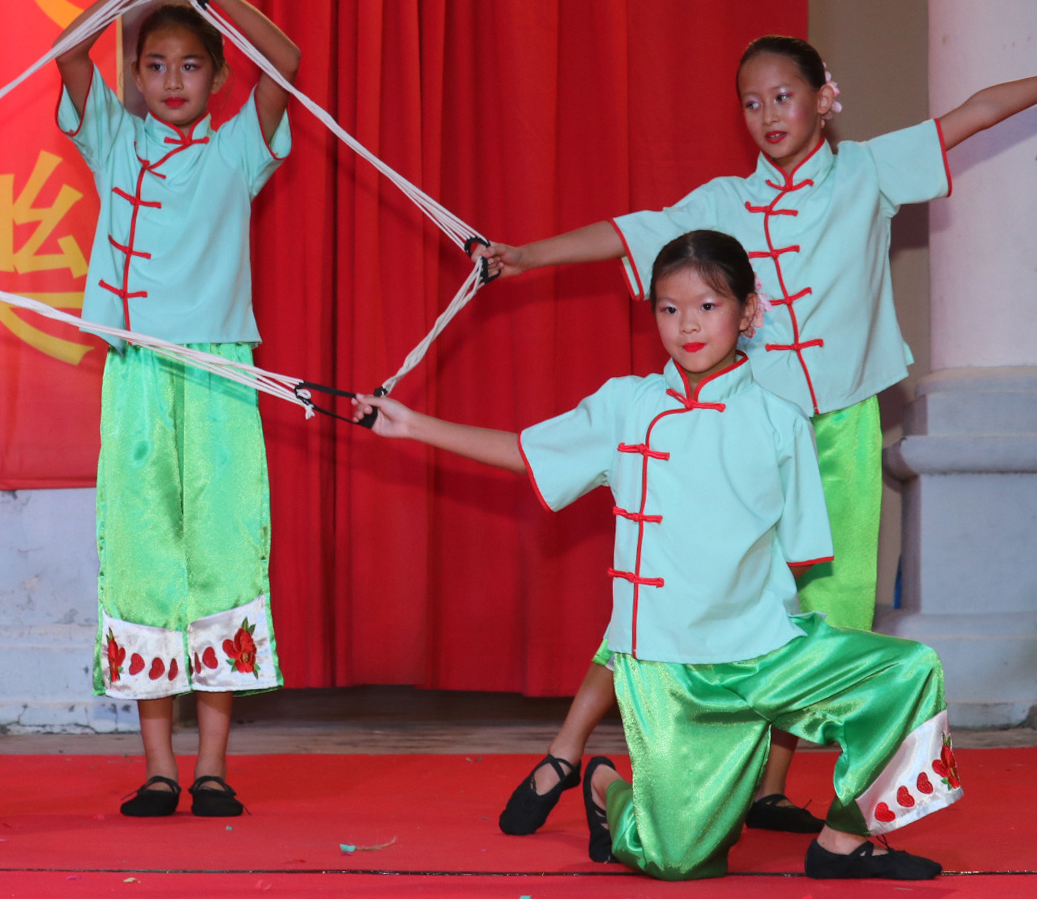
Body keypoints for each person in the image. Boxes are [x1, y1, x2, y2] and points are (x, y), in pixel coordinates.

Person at [480, 35, 1037, 837]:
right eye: (751, 101)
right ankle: (567, 747)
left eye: (783, 95)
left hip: (841, 432)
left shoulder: (869, 172)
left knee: (828, 615)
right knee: (681, 595)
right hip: (739, 439)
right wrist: (523, 257)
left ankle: (769, 785)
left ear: (823, 97)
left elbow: (975, 112)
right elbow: (626, 233)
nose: (768, 114)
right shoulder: (721, 203)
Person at [359, 230, 957, 881]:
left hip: (765, 654)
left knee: (908, 670)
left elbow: (799, 559)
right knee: (676, 860)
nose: (686, 324)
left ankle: (844, 839)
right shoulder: (627, 404)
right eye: (668, 309)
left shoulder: (781, 419)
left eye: (706, 305)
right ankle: (606, 786)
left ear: (748, 312)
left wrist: (791, 661)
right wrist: (409, 423)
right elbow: (527, 450)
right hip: (669, 670)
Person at [52, 0, 299, 818]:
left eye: (189, 64)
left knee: (223, 556)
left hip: (222, 376)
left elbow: (287, 65)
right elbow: (67, 51)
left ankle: (214, 767)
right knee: (145, 558)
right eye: (153, 65)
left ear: (216, 74)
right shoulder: (113, 140)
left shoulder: (236, 150)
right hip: (138, 375)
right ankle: (158, 764)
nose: (169, 81)